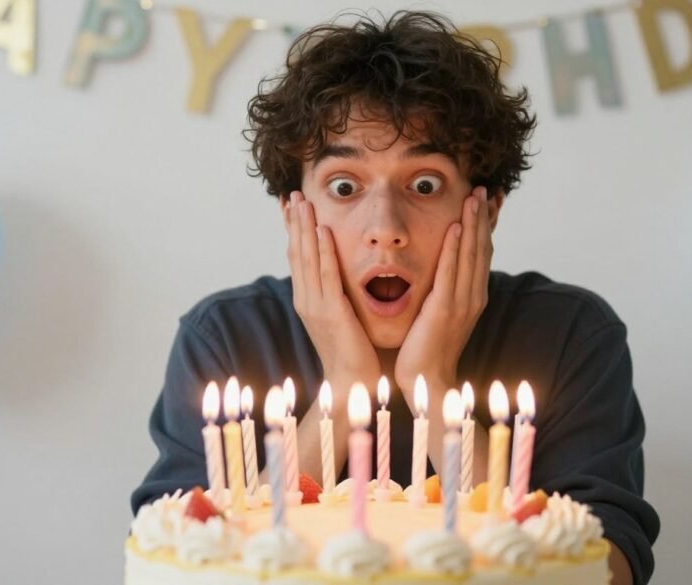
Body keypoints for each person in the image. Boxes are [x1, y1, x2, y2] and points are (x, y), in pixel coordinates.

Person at [131, 10, 660, 585]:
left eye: (425, 184)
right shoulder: (226, 339)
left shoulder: (569, 335)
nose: (386, 225)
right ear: (292, 213)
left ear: (487, 209)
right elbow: (186, 563)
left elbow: (604, 571)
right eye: (344, 187)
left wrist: (432, 383)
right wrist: (342, 382)